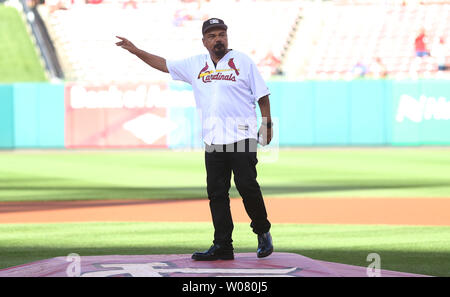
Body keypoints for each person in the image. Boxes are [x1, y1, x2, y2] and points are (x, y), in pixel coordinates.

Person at [116, 18, 274, 261]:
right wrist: (136, 50)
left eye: (222, 34)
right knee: (217, 194)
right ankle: (223, 245)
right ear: (204, 41)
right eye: (212, 36)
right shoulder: (195, 64)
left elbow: (262, 96)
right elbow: (164, 64)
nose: (218, 38)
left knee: (247, 186)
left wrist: (267, 124)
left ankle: (262, 232)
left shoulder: (243, 61)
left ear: (227, 38)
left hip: (242, 134)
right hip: (213, 138)